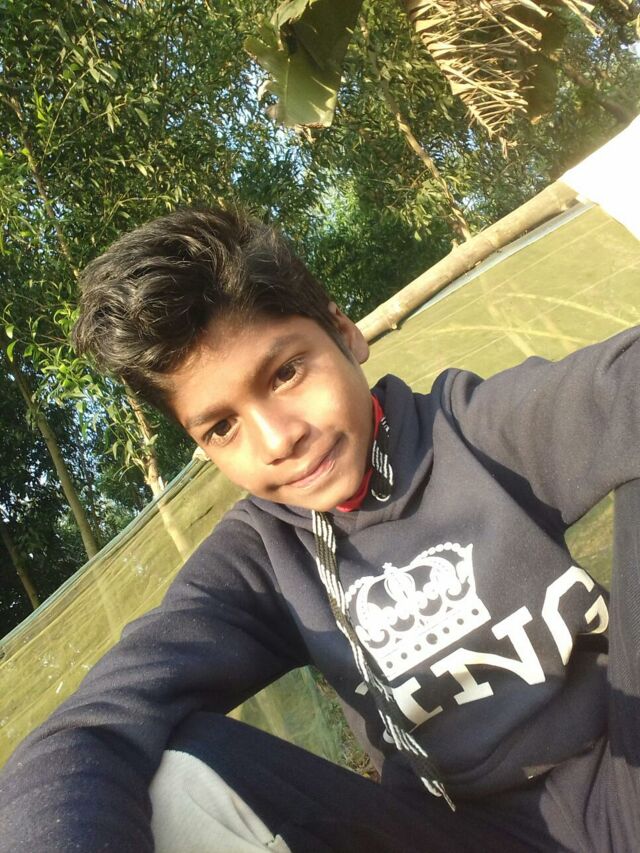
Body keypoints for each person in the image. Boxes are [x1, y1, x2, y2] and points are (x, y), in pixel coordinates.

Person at [0, 206, 639, 853]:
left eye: (285, 373)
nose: (278, 439)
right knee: (171, 777)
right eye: (222, 426)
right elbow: (91, 730)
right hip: (445, 836)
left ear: (344, 333)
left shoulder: (478, 431)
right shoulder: (260, 559)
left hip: (627, 771)